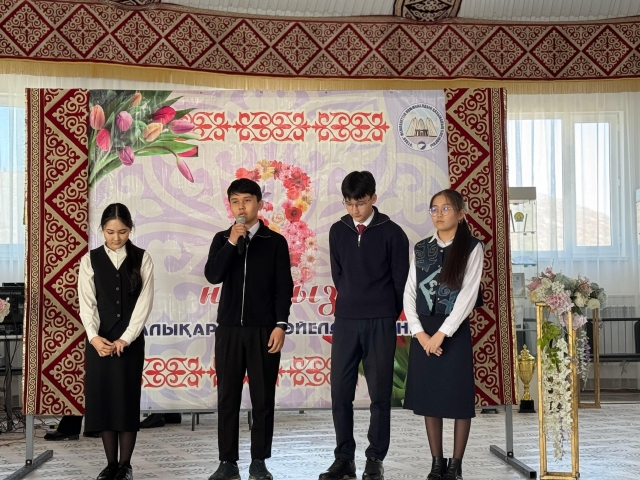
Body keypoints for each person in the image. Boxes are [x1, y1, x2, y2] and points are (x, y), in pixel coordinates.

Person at [319, 171, 409, 480]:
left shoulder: (392, 233)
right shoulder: (338, 230)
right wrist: (351, 301)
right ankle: (344, 458)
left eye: (360, 202)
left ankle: (375, 458)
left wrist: (385, 312)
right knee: (340, 393)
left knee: (380, 394)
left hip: (380, 321)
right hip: (346, 320)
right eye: (348, 203)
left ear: (373, 198)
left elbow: (400, 282)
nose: (354, 209)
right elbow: (338, 275)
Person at [205, 178, 294, 480]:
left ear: (259, 203)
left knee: (263, 398)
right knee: (227, 397)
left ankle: (259, 461)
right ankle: (227, 462)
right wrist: (232, 243)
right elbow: (213, 275)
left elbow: (283, 288)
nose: (241, 207)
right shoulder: (222, 239)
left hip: (263, 330)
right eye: (235, 201)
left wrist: (280, 325)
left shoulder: (274, 242)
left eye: (246, 200)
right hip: (229, 330)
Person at [402, 189, 484, 480]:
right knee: (430, 398)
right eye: (434, 209)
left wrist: (442, 333)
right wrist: (420, 333)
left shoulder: (471, 247)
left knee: (459, 399)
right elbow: (410, 292)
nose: (438, 214)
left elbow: (468, 296)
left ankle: (455, 466)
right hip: (424, 329)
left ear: (460, 213)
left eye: (446, 208)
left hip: (454, 329)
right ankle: (437, 463)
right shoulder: (421, 247)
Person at [79, 203, 154, 480]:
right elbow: (87, 303)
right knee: (103, 401)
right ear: (102, 230)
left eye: (122, 232)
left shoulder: (142, 258)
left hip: (129, 343)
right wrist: (94, 337)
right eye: (110, 232)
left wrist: (126, 338)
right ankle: (110, 464)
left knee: (126, 401)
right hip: (99, 342)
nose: (116, 237)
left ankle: (125, 466)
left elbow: (144, 303)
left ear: (130, 229)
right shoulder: (90, 260)